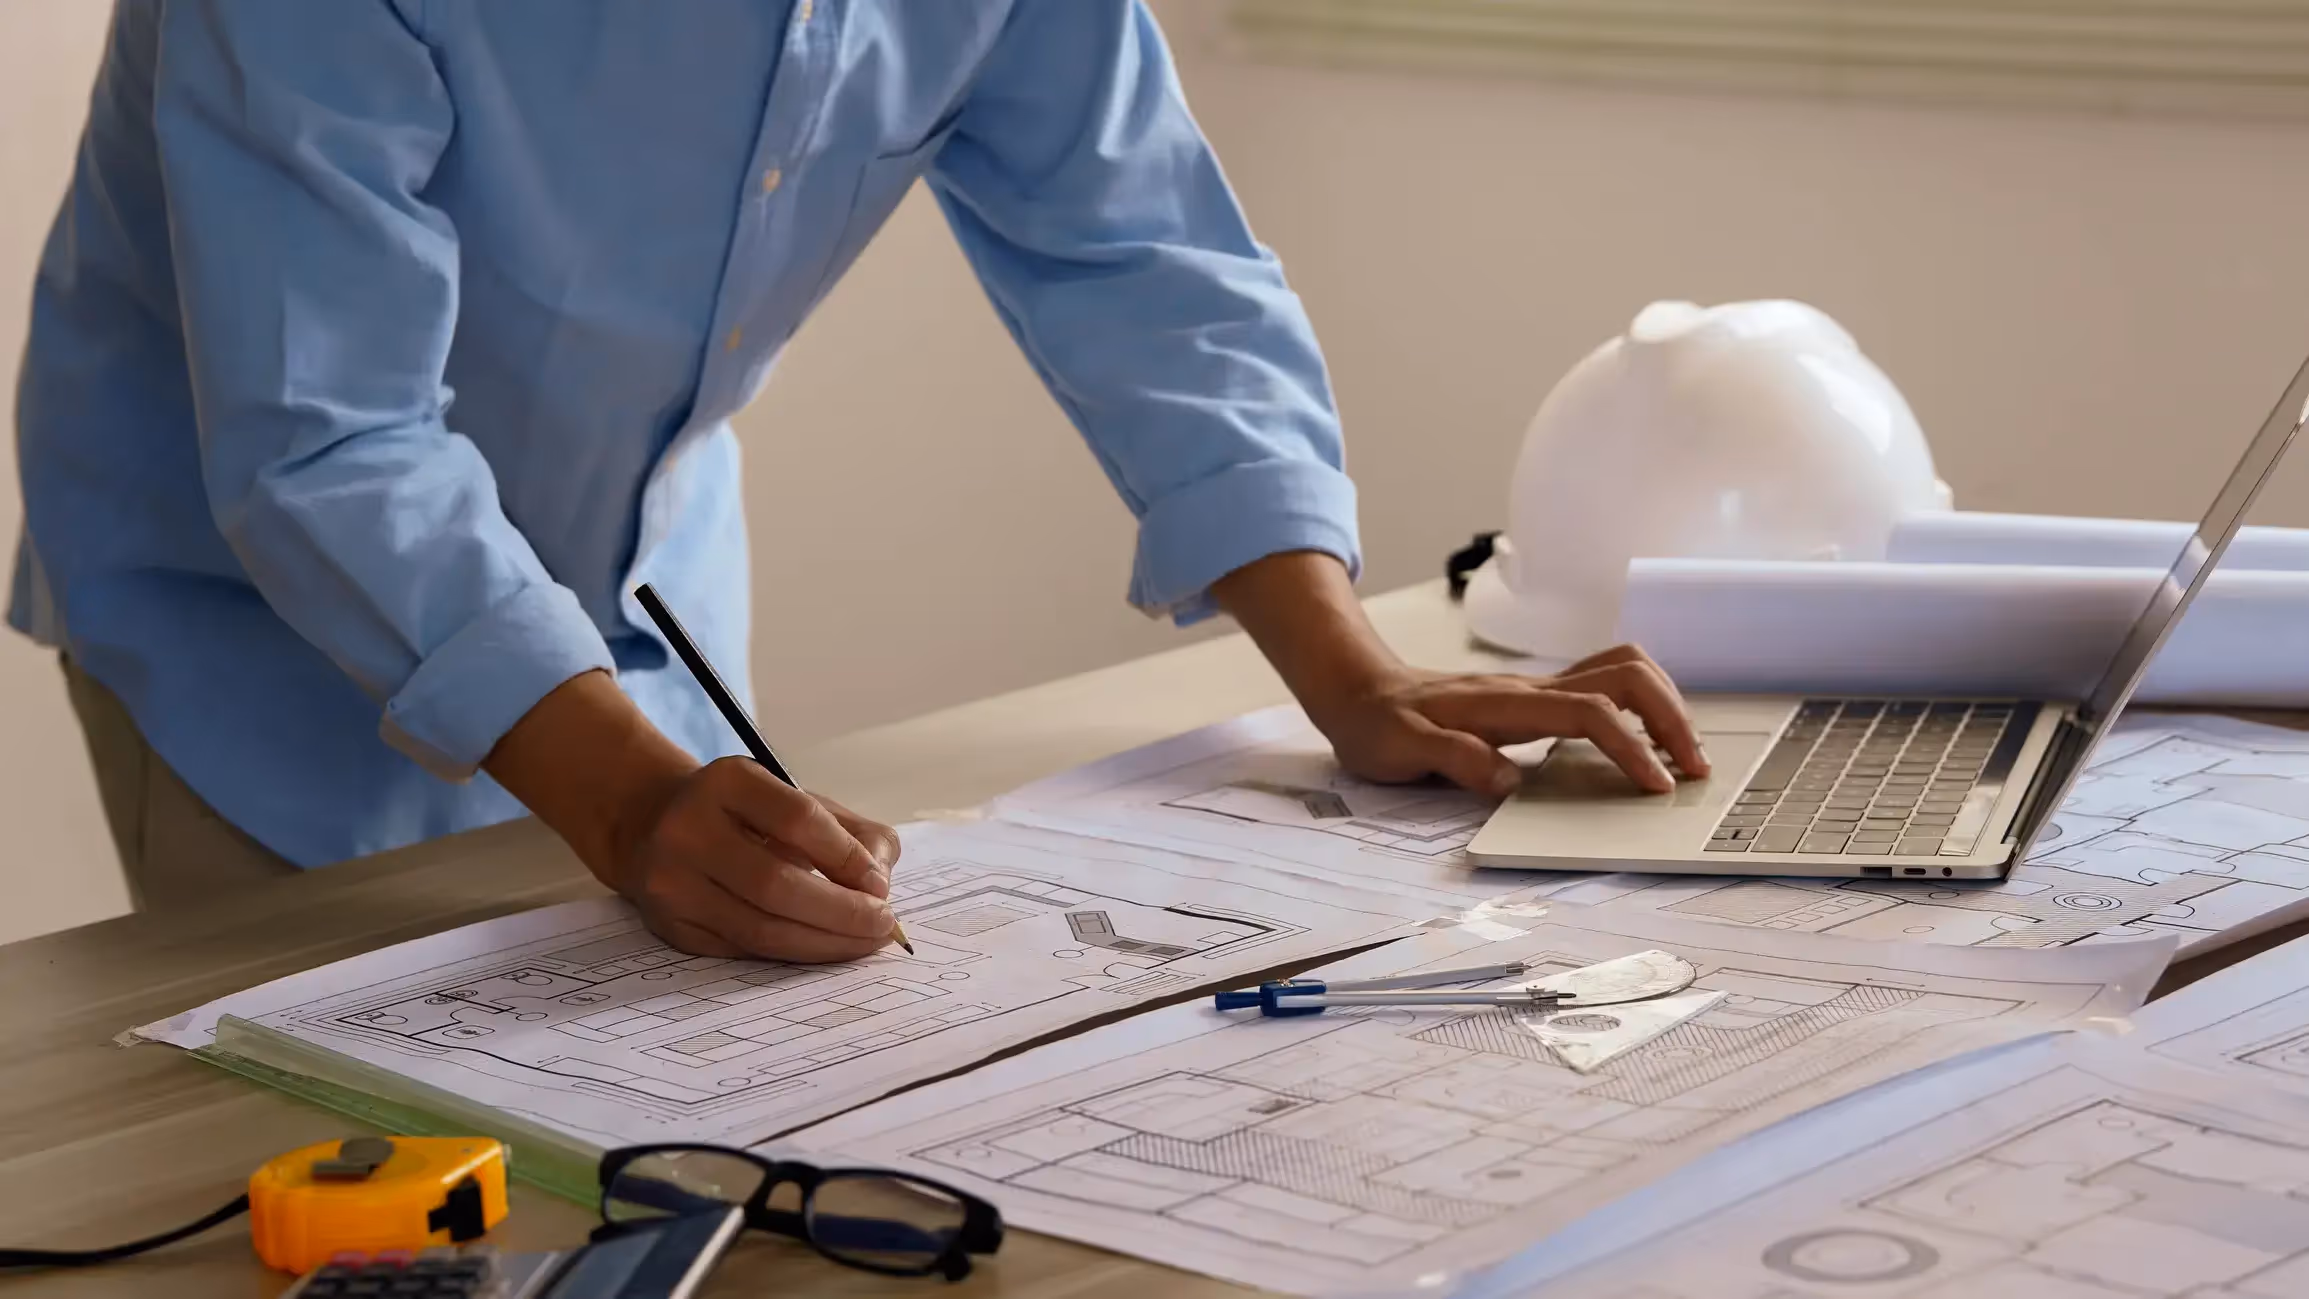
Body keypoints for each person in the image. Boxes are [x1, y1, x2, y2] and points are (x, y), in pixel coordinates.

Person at [10, 0, 1703, 961]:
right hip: (252, 628)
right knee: (332, 1180)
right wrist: (626, 799)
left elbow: (1143, 256)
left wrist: (1358, 672)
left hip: (649, 582)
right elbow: (326, 436)